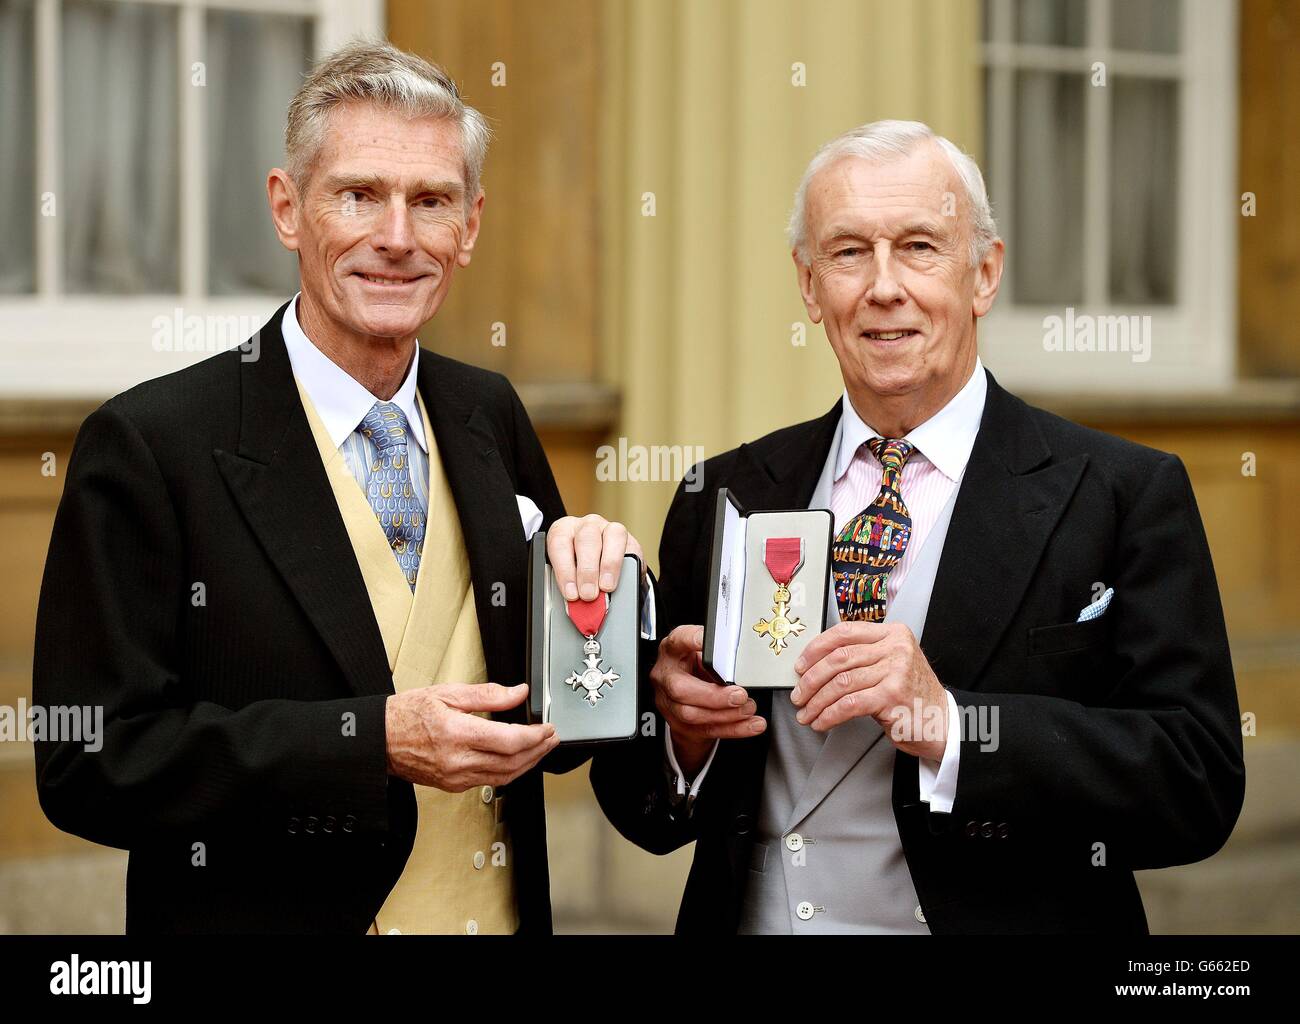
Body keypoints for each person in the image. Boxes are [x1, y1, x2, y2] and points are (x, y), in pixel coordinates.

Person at [33, 40, 643, 935]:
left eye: (430, 201)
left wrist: (620, 620)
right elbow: (88, 762)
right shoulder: (151, 446)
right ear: (288, 209)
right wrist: (370, 743)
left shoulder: (490, 413)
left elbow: (551, 729)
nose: (396, 238)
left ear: (469, 226)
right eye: (358, 195)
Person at [591, 119, 1245, 934]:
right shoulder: (720, 492)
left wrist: (952, 725)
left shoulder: (1121, 493)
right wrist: (683, 739)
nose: (884, 286)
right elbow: (645, 812)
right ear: (807, 285)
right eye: (848, 252)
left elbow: (1197, 784)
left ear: (984, 273)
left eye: (920, 247)